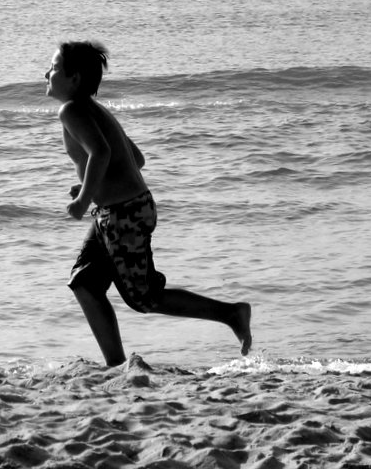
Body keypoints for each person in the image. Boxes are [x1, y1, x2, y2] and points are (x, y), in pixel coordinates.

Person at [45, 40, 252, 366]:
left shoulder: (71, 110)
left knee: (144, 298)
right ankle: (116, 366)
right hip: (120, 211)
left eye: (54, 68)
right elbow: (135, 159)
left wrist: (84, 199)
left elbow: (101, 153)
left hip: (123, 215)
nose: (46, 74)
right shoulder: (96, 110)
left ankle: (231, 314)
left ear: (74, 78)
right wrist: (91, 184)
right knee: (85, 284)